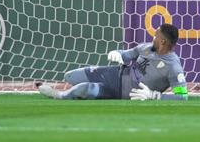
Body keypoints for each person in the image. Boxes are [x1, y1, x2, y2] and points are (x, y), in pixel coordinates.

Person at [37, 23, 188, 101]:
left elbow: (182, 97)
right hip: (114, 74)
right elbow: (127, 54)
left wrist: (154, 96)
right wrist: (118, 53)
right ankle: (70, 90)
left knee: (83, 89)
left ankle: (59, 95)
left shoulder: (173, 67)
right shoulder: (146, 48)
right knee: (70, 76)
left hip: (121, 91)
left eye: (156, 35)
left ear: (162, 41)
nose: (153, 37)